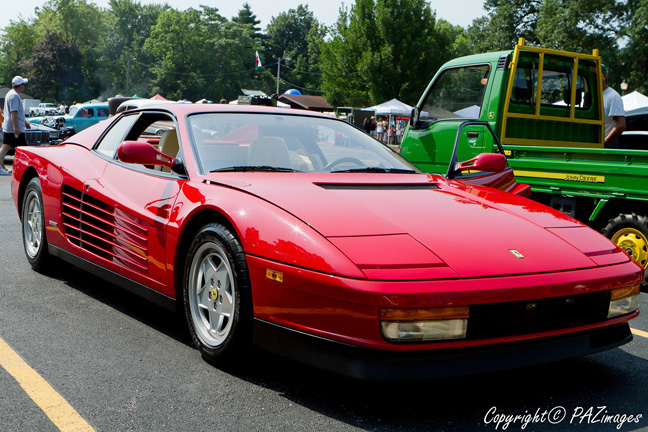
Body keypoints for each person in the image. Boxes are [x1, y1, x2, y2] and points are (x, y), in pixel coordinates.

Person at [1, 76, 31, 175]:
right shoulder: (14, 96)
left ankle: (2, 166)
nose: (24, 87)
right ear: (20, 85)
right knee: (23, 149)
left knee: (7, 146)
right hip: (13, 127)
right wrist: (16, 127)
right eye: (23, 84)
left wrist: (25, 122)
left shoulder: (11, 94)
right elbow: (14, 112)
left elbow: (17, 113)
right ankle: (23, 170)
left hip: (10, 126)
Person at [601, 64, 626, 148]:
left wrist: (604, 143)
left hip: (608, 143)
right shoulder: (593, 95)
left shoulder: (613, 96)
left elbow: (621, 125)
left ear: (604, 76)